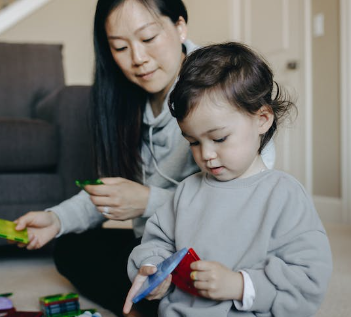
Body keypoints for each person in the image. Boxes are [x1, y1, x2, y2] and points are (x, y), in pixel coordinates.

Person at [14, 0, 275, 316]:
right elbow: (117, 190)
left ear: (180, 26)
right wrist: (56, 220)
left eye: (148, 37)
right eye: (120, 47)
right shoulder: (127, 99)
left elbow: (244, 203)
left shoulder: (217, 91)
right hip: (156, 244)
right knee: (71, 247)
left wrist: (148, 201)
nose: (137, 58)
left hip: (216, 248)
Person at [124, 42, 333, 317]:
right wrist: (153, 268)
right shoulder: (188, 190)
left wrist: (240, 285)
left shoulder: (284, 195)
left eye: (219, 138)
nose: (206, 155)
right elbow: (157, 242)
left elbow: (307, 278)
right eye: (193, 143)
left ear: (262, 119)